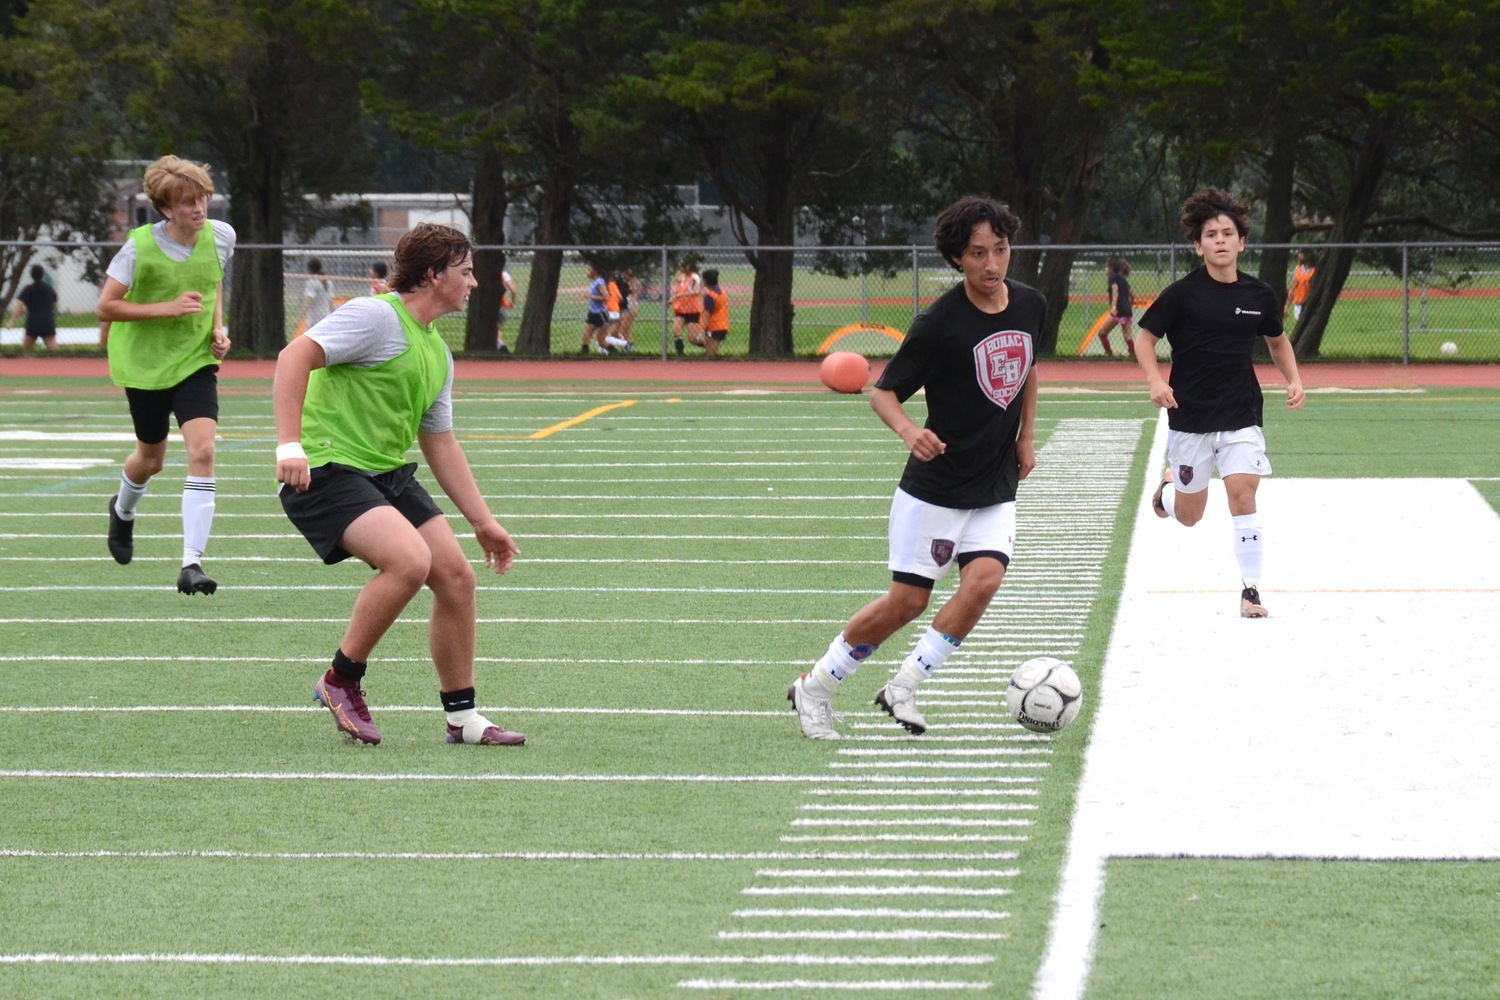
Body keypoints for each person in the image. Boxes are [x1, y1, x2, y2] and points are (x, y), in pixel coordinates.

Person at [786, 195, 1043, 740]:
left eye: (1000, 250)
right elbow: (884, 393)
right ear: (957, 259)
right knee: (908, 602)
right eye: (978, 254)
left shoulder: (1030, 304)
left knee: (984, 582)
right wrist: (910, 431)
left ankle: (904, 685)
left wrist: (1026, 436)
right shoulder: (939, 323)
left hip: (994, 484)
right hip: (937, 488)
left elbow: (1028, 370)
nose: (992, 264)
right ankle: (816, 686)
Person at [273, 222, 525, 748]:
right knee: (411, 560)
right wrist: (289, 444)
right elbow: (293, 356)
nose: (475, 283)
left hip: (383, 471)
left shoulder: (437, 351)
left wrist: (484, 522)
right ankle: (340, 680)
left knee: (456, 576)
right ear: (433, 275)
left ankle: (463, 716)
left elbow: (440, 443)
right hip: (325, 468)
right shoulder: (375, 316)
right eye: (466, 272)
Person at [1134, 187, 1306, 619]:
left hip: (1241, 414)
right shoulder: (1182, 294)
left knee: (1242, 495)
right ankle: (1167, 496)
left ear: (1241, 241)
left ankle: (1251, 591)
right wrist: (1156, 380)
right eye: (1211, 234)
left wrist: (1294, 380)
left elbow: (1278, 341)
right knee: (1191, 517)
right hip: (1189, 417)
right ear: (1199, 245)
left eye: (1228, 233)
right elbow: (1145, 338)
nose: (1221, 240)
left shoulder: (1259, 295)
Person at [97, 154, 235, 596]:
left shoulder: (222, 236)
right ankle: (122, 510)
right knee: (150, 461)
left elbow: (213, 286)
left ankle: (192, 563)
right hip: (145, 365)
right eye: (188, 202)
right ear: (165, 209)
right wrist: (167, 308)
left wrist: (218, 330)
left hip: (194, 362)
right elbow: (106, 306)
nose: (199, 209)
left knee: (203, 449)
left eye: (203, 199)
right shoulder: (139, 247)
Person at [9, 264, 59, 351]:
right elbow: (54, 305)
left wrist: (12, 321)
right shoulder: (50, 289)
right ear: (42, 275)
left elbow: (19, 306)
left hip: (33, 322)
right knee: (53, 351)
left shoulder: (28, 289)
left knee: (25, 350)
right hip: (47, 322)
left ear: (31, 275)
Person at [1097, 256, 1135, 358]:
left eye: (1106, 267)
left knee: (1102, 333)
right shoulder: (1124, 280)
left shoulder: (1112, 279)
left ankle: (1109, 354)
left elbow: (1115, 291)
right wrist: (1129, 304)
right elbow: (1132, 295)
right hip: (1127, 311)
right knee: (1128, 337)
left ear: (1111, 269)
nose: (1105, 269)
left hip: (1118, 311)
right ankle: (1134, 355)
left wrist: (1114, 306)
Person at [670, 259, 702, 356]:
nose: (681, 269)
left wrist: (682, 295)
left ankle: (708, 346)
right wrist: (673, 300)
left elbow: (696, 292)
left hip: (692, 310)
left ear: (688, 266)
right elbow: (678, 292)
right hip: (681, 309)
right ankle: (680, 352)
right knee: (676, 329)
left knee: (692, 339)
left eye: (682, 267)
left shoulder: (694, 277)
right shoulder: (681, 278)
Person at [578, 263, 610, 355]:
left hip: (600, 314)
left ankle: (615, 353)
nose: (587, 272)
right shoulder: (594, 282)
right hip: (592, 312)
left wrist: (591, 296)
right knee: (585, 337)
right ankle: (584, 355)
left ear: (595, 271)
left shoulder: (599, 282)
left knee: (601, 341)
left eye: (589, 269)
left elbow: (606, 297)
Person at [296, 257, 334, 334]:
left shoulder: (312, 282)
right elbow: (330, 302)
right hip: (326, 315)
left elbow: (310, 301)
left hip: (314, 318)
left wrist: (300, 317)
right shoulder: (328, 281)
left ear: (309, 269)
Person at [697, 268, 729, 356]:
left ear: (705, 281)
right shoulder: (721, 292)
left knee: (710, 355)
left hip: (714, 328)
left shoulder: (710, 296)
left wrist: (702, 331)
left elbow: (706, 315)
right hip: (722, 325)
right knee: (710, 353)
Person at [1286, 250, 1315, 321]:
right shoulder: (1298, 269)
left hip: (1309, 304)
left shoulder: (1314, 270)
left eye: (1301, 253)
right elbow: (1293, 288)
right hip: (1298, 303)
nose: (1299, 255)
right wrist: (1287, 305)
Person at [495, 267, 519, 353]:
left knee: (495, 329)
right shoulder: (504, 275)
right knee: (498, 329)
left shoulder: (488, 274)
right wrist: (512, 302)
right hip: (502, 305)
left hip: (492, 305)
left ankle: (500, 345)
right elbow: (513, 290)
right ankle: (500, 345)